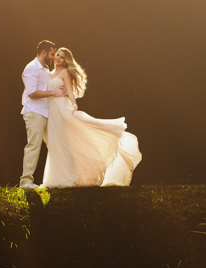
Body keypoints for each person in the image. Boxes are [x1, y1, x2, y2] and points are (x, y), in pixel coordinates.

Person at [41, 47, 141, 187]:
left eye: (62, 57)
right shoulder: (49, 74)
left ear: (65, 61)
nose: (58, 58)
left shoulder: (64, 73)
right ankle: (56, 179)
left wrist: (74, 106)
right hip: (52, 111)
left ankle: (69, 178)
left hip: (62, 108)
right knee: (54, 143)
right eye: (57, 55)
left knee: (64, 142)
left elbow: (70, 91)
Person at [20, 40, 68, 189]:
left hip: (47, 114)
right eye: (52, 54)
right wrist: (54, 92)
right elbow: (32, 93)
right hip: (34, 113)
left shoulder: (46, 70)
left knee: (55, 144)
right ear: (43, 52)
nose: (54, 57)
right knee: (34, 145)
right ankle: (26, 181)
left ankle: (62, 179)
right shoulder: (32, 68)